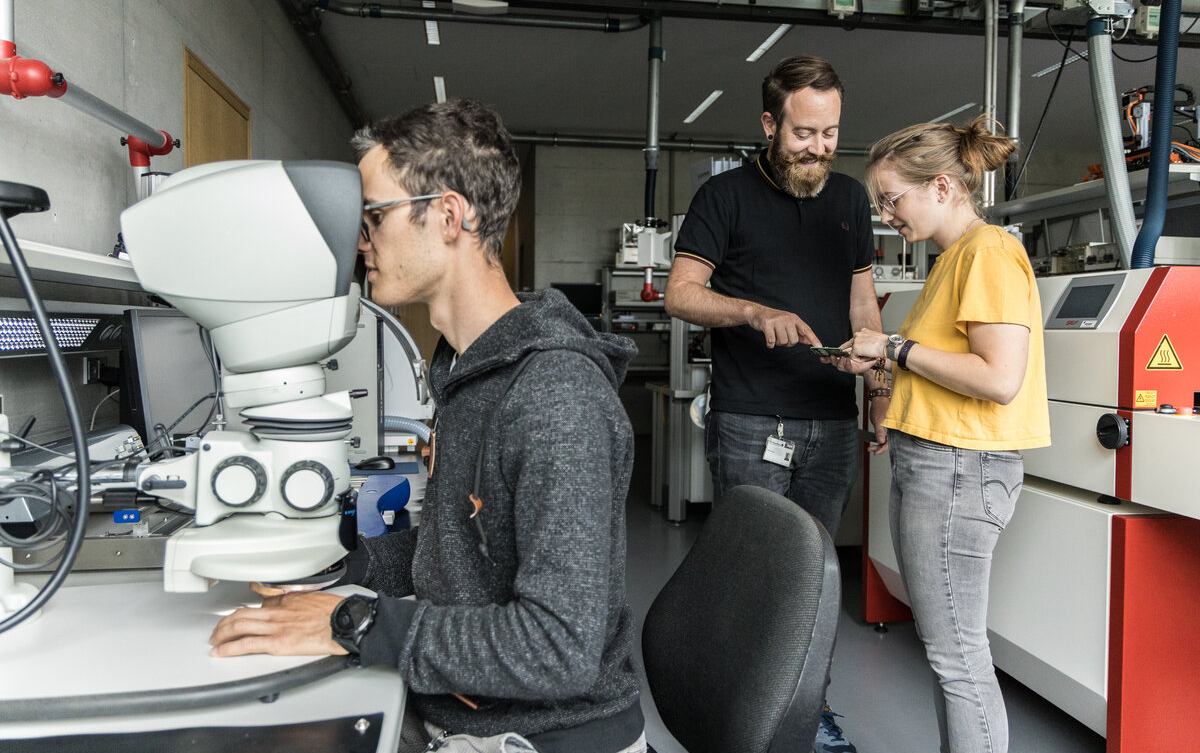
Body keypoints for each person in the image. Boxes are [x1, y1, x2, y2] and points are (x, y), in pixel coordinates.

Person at [209, 98, 647, 753]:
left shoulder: (554, 397)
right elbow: (459, 544)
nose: (362, 242)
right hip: (464, 715)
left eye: (374, 217)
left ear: (447, 216)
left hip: (538, 737)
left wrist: (354, 622)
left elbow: (560, 648)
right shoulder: (471, 371)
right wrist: (335, 562)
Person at [665, 54, 883, 753]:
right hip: (751, 420)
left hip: (831, 421)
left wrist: (876, 384)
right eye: (803, 133)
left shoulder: (849, 198)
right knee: (753, 579)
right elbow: (681, 294)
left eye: (830, 133)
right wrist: (754, 312)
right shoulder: (723, 198)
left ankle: (807, 718)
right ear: (769, 123)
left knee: (814, 592)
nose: (818, 148)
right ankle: (737, 722)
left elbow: (862, 299)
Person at [838, 115, 1050, 753]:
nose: (886, 214)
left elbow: (998, 377)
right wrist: (882, 361)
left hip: (959, 469)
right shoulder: (955, 258)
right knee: (946, 650)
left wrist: (895, 348)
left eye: (891, 198)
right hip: (935, 463)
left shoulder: (987, 253)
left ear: (939, 187)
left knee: (958, 656)